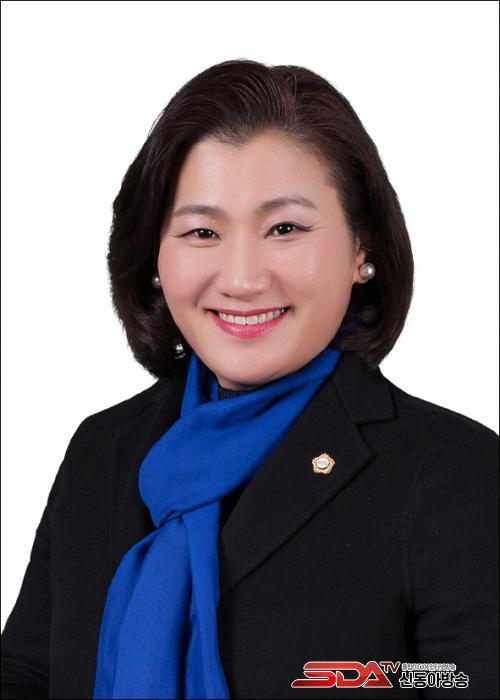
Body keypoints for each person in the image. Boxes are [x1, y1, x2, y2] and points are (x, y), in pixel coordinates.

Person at [1, 58, 498, 700]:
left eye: (285, 228)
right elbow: (27, 676)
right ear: (154, 255)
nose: (241, 279)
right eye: (202, 231)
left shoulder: (454, 473)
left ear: (362, 249)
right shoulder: (103, 449)